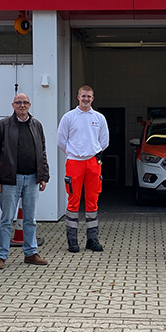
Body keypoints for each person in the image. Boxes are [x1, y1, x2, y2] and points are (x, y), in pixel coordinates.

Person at [0, 93, 50, 270]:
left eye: (25, 103)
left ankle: (31, 253)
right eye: (18, 103)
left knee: (30, 219)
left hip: (32, 179)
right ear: (13, 105)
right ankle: (1, 256)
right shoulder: (3, 125)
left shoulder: (37, 125)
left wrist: (44, 175)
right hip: (9, 180)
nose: (22, 105)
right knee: (7, 219)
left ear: (29, 105)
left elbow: (42, 152)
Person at [57, 85, 110, 253]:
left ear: (93, 98)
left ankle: (92, 239)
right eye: (83, 96)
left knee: (92, 200)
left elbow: (104, 141)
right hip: (74, 163)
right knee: (73, 200)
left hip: (93, 163)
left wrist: (91, 154)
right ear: (78, 97)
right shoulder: (68, 117)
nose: (86, 99)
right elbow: (61, 140)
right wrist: (75, 153)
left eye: (89, 96)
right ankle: (72, 241)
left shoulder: (99, 118)